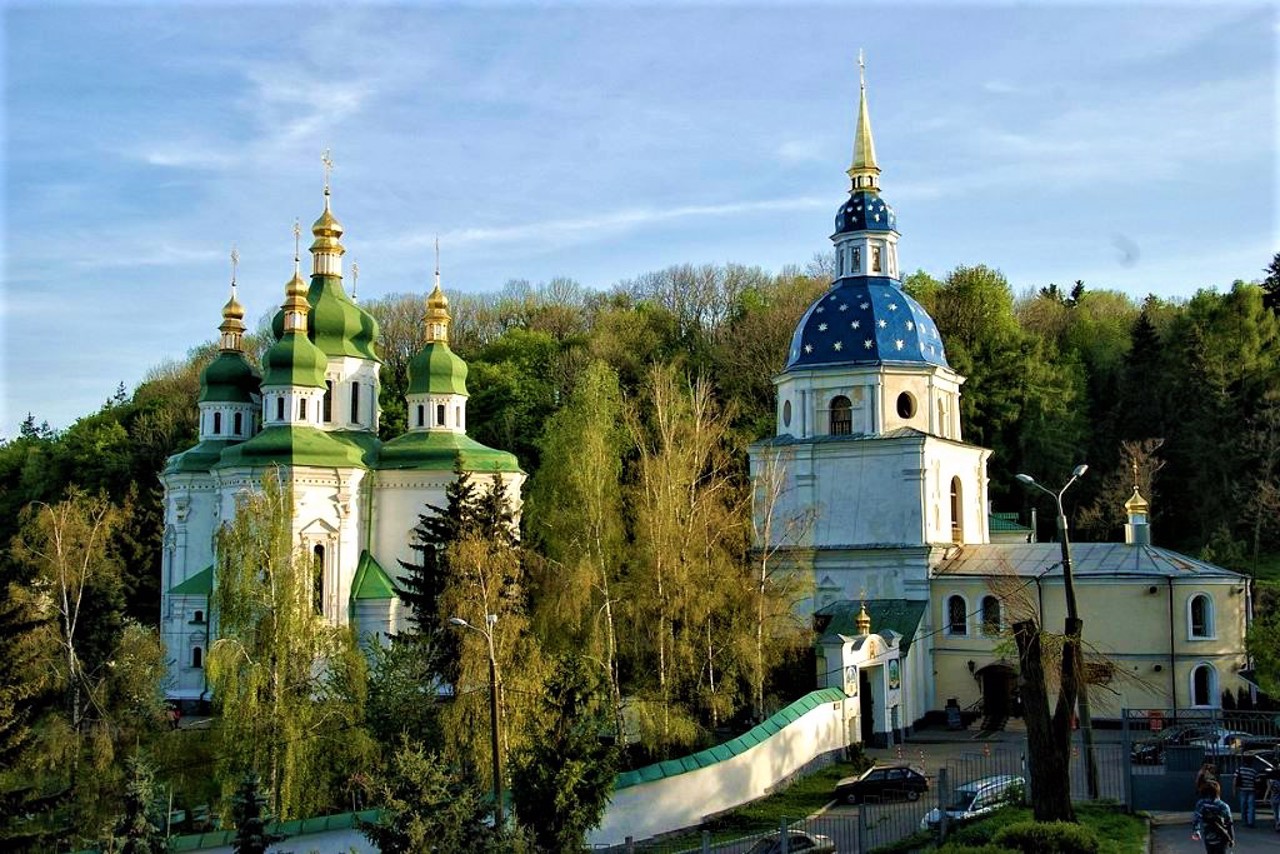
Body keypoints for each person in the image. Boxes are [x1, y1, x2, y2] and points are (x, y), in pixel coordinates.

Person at [1192, 779, 1235, 853]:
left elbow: (1196, 819)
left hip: (1208, 836)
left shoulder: (1201, 804)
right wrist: (1232, 838)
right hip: (1221, 836)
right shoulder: (1223, 805)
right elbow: (1229, 823)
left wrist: (1196, 831)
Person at [1234, 756, 1259, 828]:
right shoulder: (1254, 771)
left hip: (1242, 790)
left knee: (1243, 806)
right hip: (1252, 790)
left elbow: (1235, 780)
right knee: (1251, 807)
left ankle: (1244, 822)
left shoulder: (1239, 770)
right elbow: (1257, 782)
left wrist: (1234, 789)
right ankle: (1250, 822)